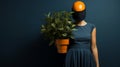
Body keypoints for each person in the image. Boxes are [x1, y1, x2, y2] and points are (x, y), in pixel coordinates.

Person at [64, 2, 100, 67]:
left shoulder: (91, 27)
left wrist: (97, 64)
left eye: (81, 12)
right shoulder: (69, 26)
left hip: (86, 57)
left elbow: (94, 47)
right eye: (77, 13)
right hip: (73, 56)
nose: (79, 15)